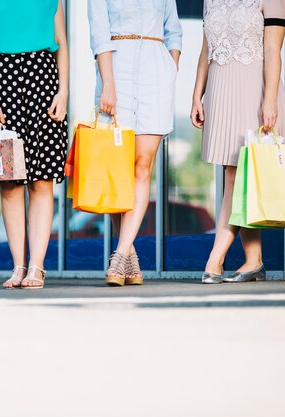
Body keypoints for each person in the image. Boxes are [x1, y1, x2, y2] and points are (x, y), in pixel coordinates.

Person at [190, 0, 285, 284]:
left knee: (236, 175)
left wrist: (270, 99)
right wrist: (197, 94)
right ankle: (254, 260)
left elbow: (273, 50)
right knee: (235, 175)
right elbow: (206, 49)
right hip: (221, 90)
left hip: (254, 90)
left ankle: (215, 259)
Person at [0, 0, 68, 289]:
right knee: (9, 182)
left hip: (43, 81)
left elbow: (61, 43)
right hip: (1, 84)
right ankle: (18, 266)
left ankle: (37, 267)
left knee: (42, 181)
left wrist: (63, 91)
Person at [88, 0, 182, 286]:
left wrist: (170, 69)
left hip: (156, 75)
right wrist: (108, 84)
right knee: (119, 172)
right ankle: (129, 256)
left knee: (142, 166)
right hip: (116, 74)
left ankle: (119, 256)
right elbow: (99, 33)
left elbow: (174, 31)